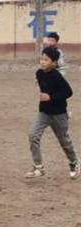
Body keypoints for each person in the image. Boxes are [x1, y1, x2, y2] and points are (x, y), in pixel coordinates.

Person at [25, 47, 80, 179]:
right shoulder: (39, 73)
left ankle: (74, 162)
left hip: (59, 114)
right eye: (42, 58)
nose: (42, 62)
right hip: (44, 112)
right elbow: (44, 88)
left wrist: (51, 97)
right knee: (33, 135)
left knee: (64, 142)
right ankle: (38, 167)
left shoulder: (57, 76)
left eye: (46, 60)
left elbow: (68, 92)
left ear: (54, 63)